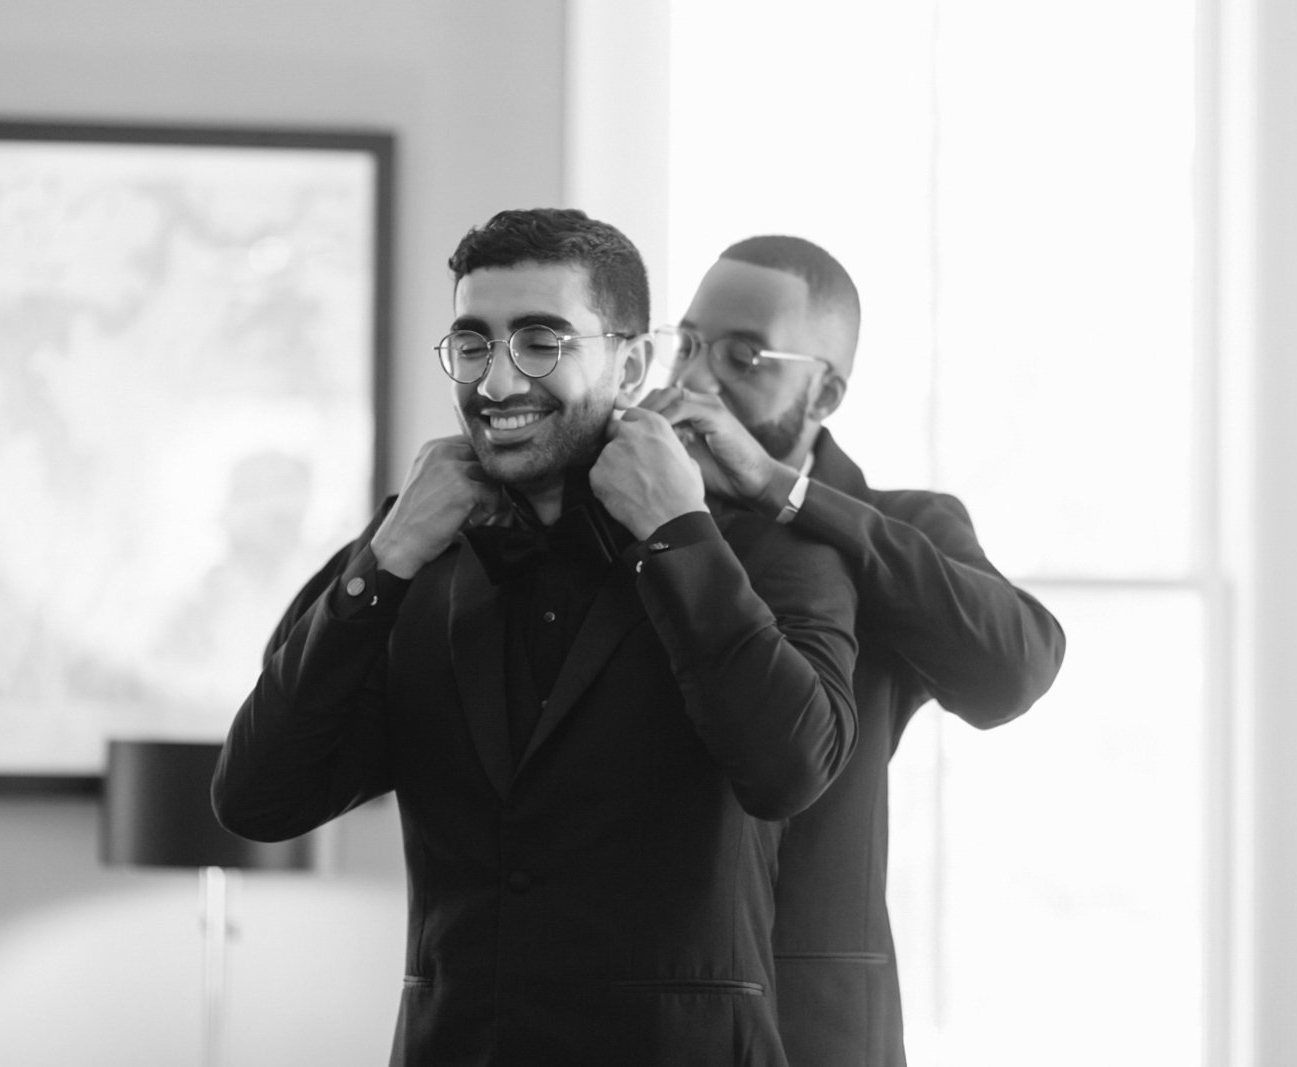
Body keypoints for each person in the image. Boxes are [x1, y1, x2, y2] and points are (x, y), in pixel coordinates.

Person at [211, 209, 862, 1066]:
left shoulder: (761, 546)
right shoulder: (410, 553)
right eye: (473, 344)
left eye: (542, 341)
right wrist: (391, 553)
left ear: (629, 363)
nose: (497, 381)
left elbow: (790, 768)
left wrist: (677, 535)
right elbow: (257, 797)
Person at [643, 234, 1067, 1066]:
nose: (694, 381)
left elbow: (1015, 667)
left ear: (825, 390)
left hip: (820, 1031)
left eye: (744, 355)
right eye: (688, 344)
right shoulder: (630, 506)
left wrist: (784, 493)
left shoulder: (901, 527)